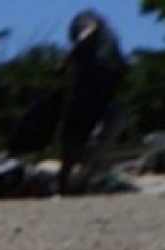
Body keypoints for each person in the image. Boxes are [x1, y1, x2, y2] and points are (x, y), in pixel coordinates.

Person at [58, 9, 129, 194]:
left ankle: (71, 178)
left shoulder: (86, 21)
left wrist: (66, 61)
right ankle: (75, 178)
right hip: (104, 82)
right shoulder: (108, 36)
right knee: (84, 131)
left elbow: (88, 30)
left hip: (98, 79)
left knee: (76, 130)